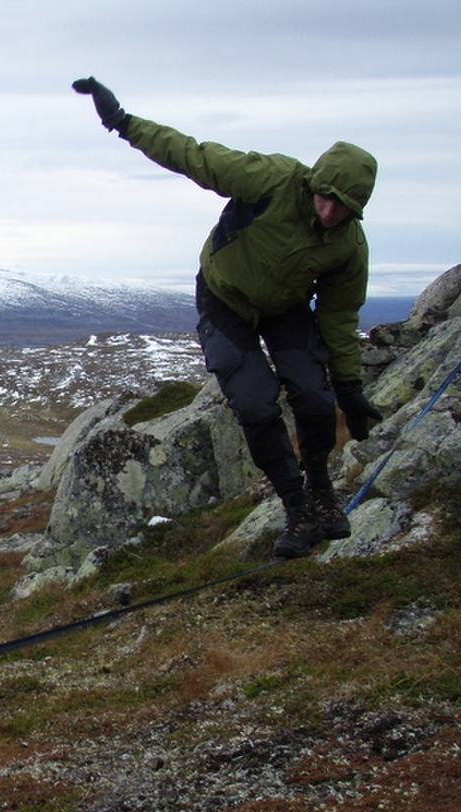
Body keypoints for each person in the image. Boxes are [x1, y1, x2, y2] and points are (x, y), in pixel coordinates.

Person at [73, 76, 382, 558]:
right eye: (324, 196)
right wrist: (122, 122)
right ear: (314, 182)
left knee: (315, 399)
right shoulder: (273, 180)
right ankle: (297, 508)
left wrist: (350, 386)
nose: (329, 210)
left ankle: (322, 491)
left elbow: (340, 316)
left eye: (342, 206)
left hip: (285, 309)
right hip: (225, 302)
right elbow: (193, 155)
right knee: (256, 404)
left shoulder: (348, 245)